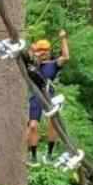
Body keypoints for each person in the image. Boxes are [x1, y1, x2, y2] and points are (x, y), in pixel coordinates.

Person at [26, 29, 70, 163]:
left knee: (53, 123)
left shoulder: (53, 64)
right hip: (35, 96)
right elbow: (25, 56)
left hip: (49, 95)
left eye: (45, 50)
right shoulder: (32, 64)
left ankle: (49, 153)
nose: (43, 53)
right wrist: (32, 50)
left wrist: (63, 39)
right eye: (41, 50)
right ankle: (33, 155)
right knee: (33, 126)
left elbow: (66, 57)